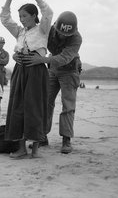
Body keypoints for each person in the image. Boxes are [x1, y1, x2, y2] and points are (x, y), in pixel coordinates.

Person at [0, 0, 53, 158]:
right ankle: (22, 148)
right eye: (20, 16)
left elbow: (48, 12)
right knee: (18, 107)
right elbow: (5, 18)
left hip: (36, 72)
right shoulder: (20, 33)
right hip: (20, 71)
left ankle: (35, 150)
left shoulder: (43, 30)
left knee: (35, 107)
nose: (21, 19)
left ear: (33, 16)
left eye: (24, 16)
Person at [22, 11, 82, 154]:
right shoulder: (49, 29)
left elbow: (65, 58)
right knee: (45, 102)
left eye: (66, 35)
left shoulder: (77, 38)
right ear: (56, 26)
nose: (62, 36)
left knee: (68, 105)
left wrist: (43, 60)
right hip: (52, 68)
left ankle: (66, 139)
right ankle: (42, 136)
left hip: (70, 69)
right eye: (60, 33)